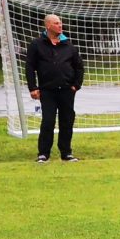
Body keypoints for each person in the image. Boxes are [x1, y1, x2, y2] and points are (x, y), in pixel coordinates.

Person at [24, 13, 83, 163]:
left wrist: (76, 85)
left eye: (60, 23)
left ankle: (66, 153)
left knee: (67, 121)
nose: (60, 25)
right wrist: (33, 87)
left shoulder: (68, 45)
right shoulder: (37, 44)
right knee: (48, 121)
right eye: (56, 23)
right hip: (47, 90)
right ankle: (43, 154)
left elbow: (79, 66)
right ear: (48, 25)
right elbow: (30, 67)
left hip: (66, 90)